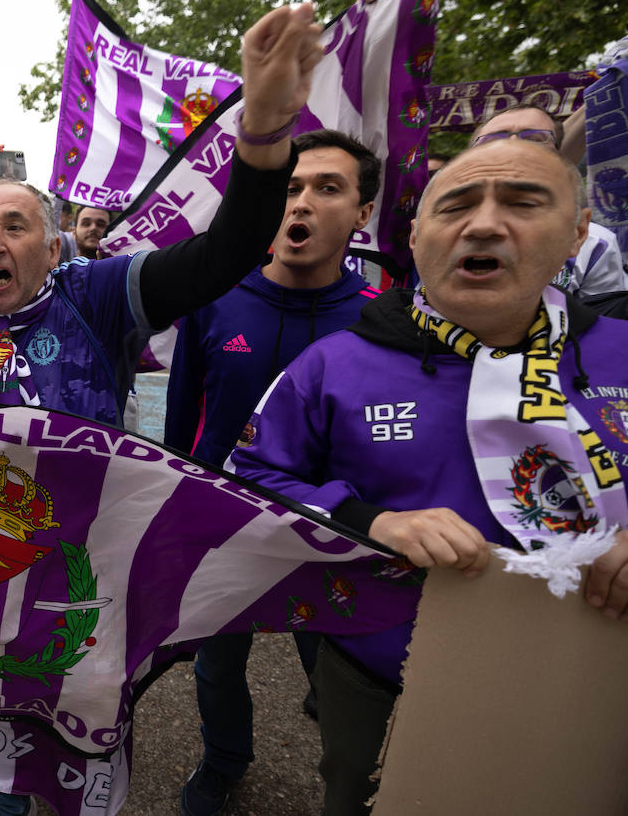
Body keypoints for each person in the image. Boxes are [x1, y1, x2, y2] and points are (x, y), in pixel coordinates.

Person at [0, 0, 323, 816]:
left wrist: (263, 130)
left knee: (83, 734)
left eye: (14, 226)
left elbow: (224, 256)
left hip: (87, 581)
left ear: (52, 247)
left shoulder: (95, 297)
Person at [227, 136, 628, 815]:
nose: (484, 224)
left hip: (595, 672)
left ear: (578, 232)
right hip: (384, 676)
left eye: (524, 202)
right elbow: (248, 480)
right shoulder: (335, 366)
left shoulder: (619, 351)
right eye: (457, 206)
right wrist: (371, 521)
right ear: (415, 236)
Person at [164, 129, 381, 816]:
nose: (303, 203)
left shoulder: (382, 321)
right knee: (217, 665)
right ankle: (224, 760)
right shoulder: (217, 298)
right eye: (290, 188)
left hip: (333, 539)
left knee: (344, 680)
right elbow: (179, 422)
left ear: (362, 213)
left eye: (327, 188)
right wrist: (173, 514)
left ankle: (350, 785)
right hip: (226, 529)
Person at [470, 104, 626, 296]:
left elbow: (603, 321)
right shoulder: (429, 230)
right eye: (493, 139)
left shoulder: (596, 244)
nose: (513, 144)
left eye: (535, 138)